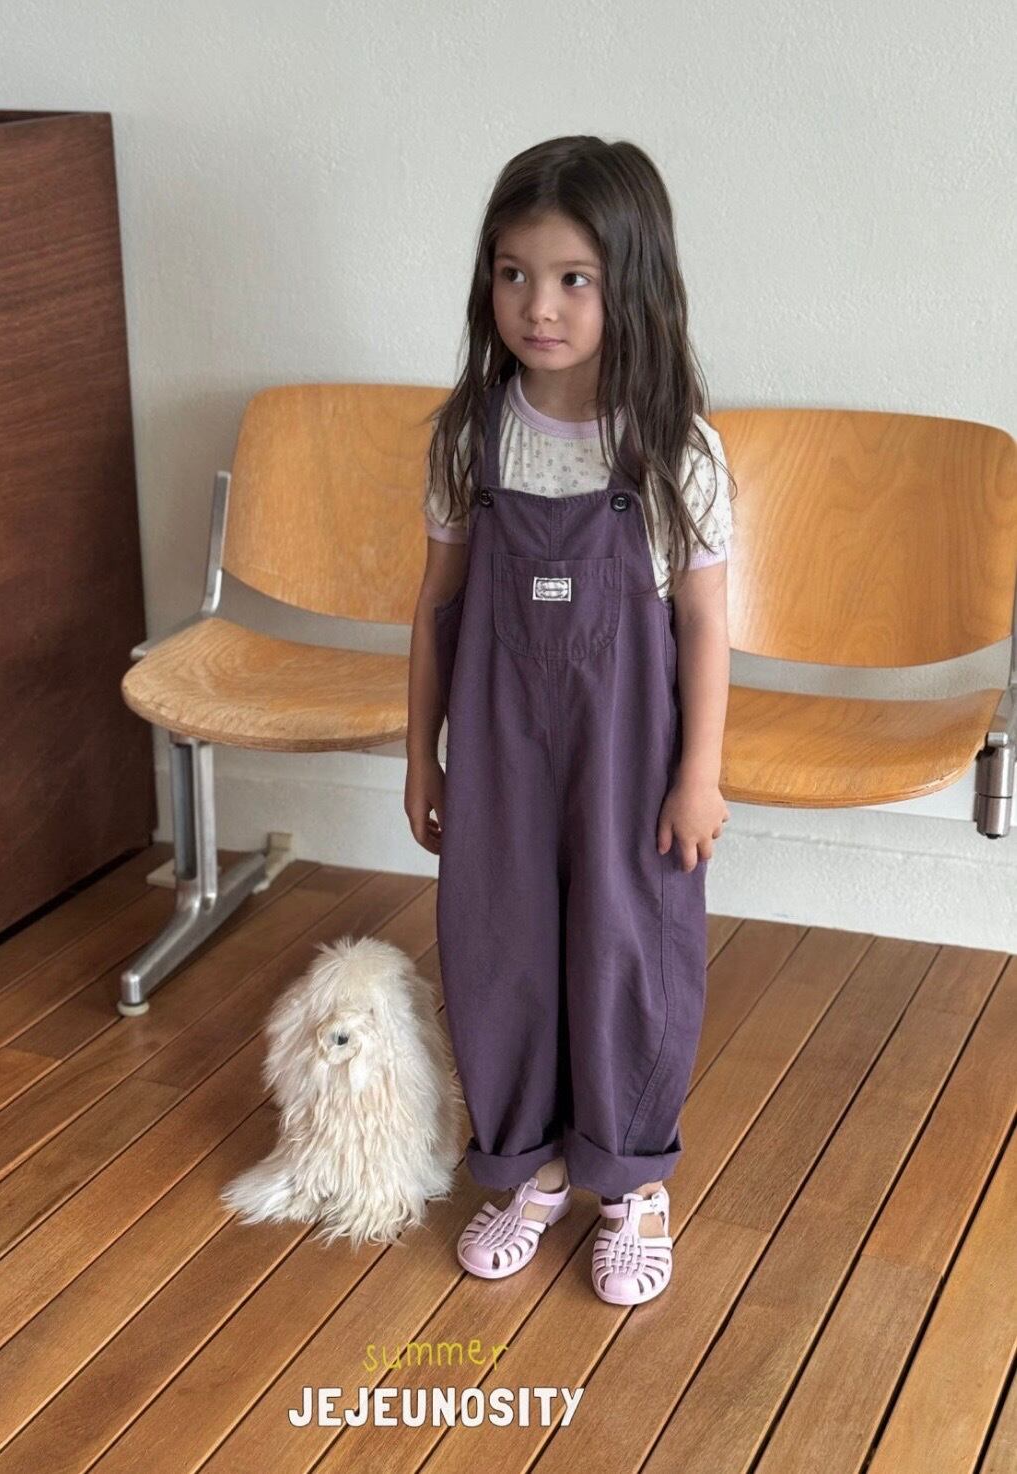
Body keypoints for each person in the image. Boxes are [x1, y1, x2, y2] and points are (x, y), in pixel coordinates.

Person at [403, 136, 735, 1306]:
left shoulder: (674, 449)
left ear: (630, 283)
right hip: (499, 751)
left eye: (572, 278)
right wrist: (421, 755)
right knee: (498, 942)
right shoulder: (470, 436)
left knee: (628, 947)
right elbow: (436, 606)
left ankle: (632, 1180)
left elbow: (704, 621)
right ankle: (531, 1164)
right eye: (513, 274)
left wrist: (699, 774)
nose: (537, 306)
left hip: (629, 757)